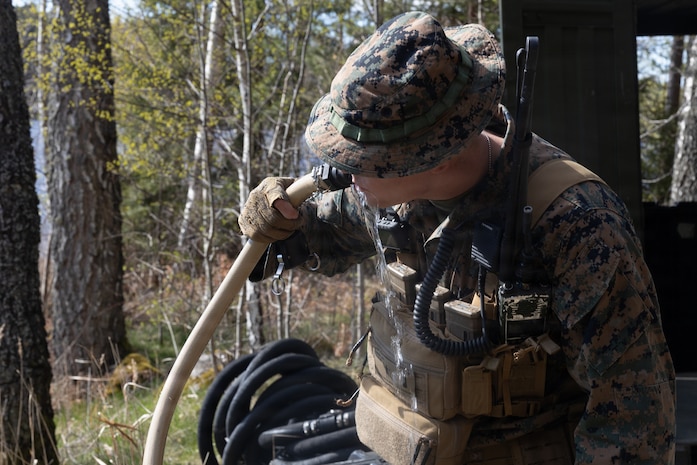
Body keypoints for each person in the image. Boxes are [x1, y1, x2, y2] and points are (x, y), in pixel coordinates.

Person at [238, 11, 676, 465]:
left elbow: (634, 423)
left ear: (437, 158)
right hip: (412, 445)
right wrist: (271, 226)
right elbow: (308, 237)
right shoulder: (387, 192)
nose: (348, 171)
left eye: (366, 158)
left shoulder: (577, 225)